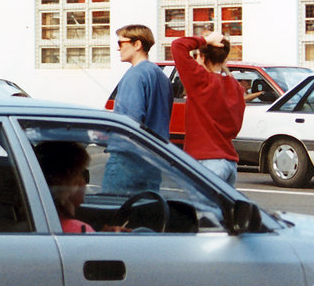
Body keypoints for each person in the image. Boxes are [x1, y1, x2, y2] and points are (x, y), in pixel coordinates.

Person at [102, 24, 173, 194]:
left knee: (113, 214)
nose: (118, 49)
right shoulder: (161, 76)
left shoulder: (134, 75)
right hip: (153, 158)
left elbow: (129, 122)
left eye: (121, 43)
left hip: (128, 159)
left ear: (137, 44)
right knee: (144, 214)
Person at [172, 29, 246, 185]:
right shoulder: (236, 88)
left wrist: (205, 39)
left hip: (205, 161)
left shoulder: (200, 81)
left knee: (205, 210)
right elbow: (235, 128)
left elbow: (178, 46)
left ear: (202, 56)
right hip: (229, 160)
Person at [34, 141, 95, 233]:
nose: (84, 182)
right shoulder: (80, 232)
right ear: (70, 181)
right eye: (84, 174)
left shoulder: (26, 226)